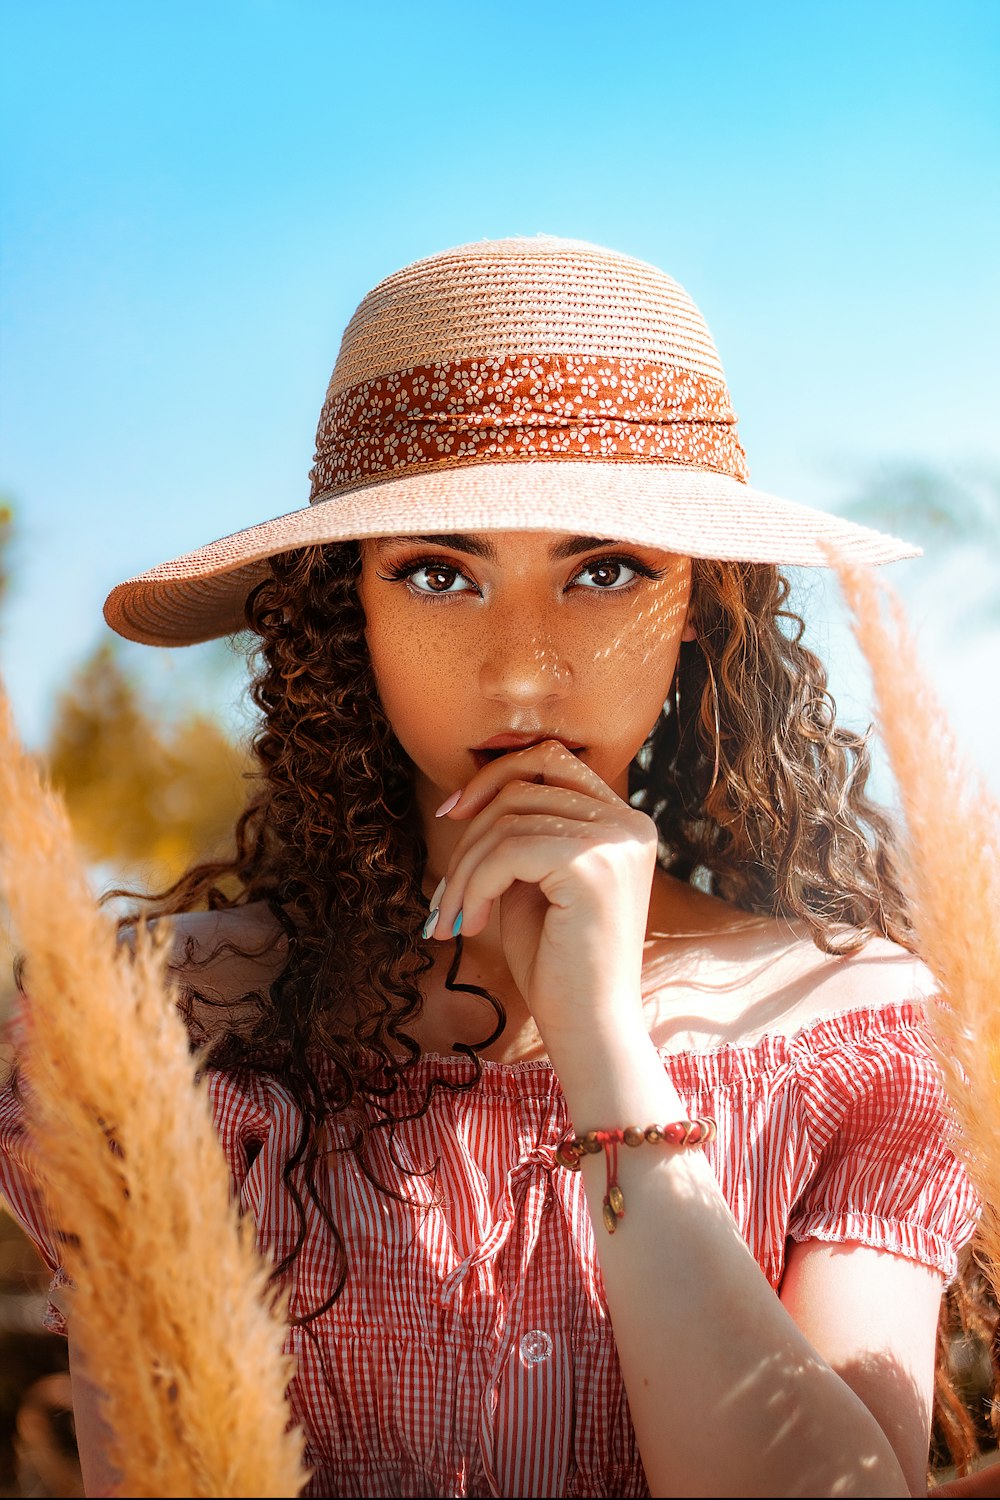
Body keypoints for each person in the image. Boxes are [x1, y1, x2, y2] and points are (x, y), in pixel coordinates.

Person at [0, 236, 984, 1498]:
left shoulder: (854, 1032)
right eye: (437, 572)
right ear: (344, 604)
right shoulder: (168, 1036)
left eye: (605, 570)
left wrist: (602, 1044)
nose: (523, 671)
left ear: (699, 608)